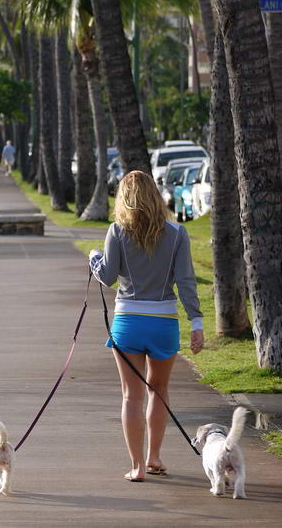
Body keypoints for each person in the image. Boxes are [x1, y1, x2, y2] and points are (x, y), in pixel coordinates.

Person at [88, 170, 204, 483]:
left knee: (131, 396)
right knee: (160, 390)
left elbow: (108, 276)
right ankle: (155, 456)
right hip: (164, 322)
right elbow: (186, 281)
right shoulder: (177, 233)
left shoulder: (117, 231)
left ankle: (137, 466)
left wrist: (94, 258)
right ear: (154, 195)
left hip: (128, 322)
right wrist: (196, 321)